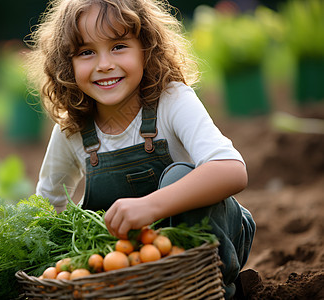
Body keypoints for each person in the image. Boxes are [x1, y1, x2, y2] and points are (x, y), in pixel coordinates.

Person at [27, 0, 255, 298]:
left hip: (213, 244)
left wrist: (149, 206)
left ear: (146, 49)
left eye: (119, 46)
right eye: (86, 52)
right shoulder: (72, 130)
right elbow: (47, 210)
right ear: (66, 65)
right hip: (135, 265)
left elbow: (231, 171)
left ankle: (216, 291)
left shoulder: (171, 101)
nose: (104, 64)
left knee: (179, 176)